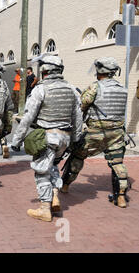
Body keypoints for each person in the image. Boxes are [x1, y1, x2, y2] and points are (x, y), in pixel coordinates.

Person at [11, 56, 83, 222]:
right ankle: (55, 195)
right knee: (53, 166)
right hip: (65, 138)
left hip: (47, 137)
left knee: (41, 171)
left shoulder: (40, 89)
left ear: (45, 72)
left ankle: (44, 208)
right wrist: (76, 138)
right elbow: (78, 117)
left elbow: (28, 117)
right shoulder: (71, 89)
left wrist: (17, 140)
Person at [61, 57, 130, 208]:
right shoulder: (123, 88)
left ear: (101, 71)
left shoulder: (95, 87)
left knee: (77, 156)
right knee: (118, 163)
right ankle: (122, 197)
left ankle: (65, 185)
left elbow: (81, 106)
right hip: (117, 133)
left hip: (96, 132)